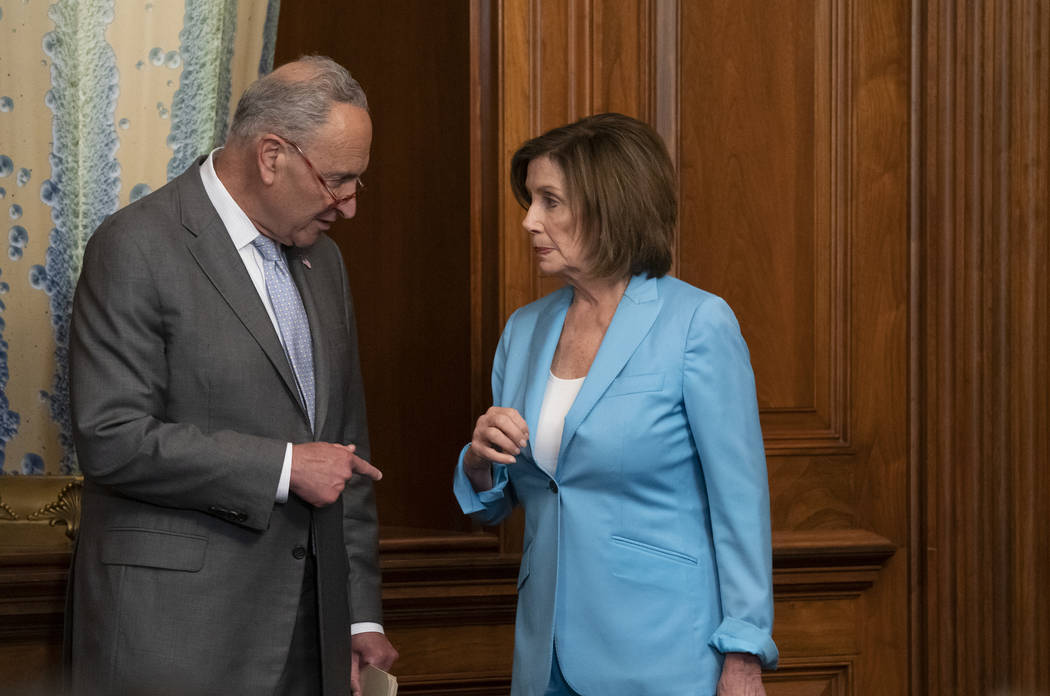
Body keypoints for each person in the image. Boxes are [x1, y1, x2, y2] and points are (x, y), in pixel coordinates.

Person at [67, 56, 398, 696]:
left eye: (359, 182)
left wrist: (357, 610)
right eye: (337, 181)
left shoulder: (322, 262)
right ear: (271, 155)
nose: (351, 207)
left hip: (311, 640)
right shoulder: (135, 246)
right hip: (176, 636)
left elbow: (345, 448)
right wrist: (283, 467)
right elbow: (111, 437)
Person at [454, 113, 777, 695]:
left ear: (611, 206)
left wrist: (744, 649)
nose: (529, 221)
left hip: (664, 652)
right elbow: (498, 507)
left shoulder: (697, 324)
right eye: (530, 200)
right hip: (543, 653)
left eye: (550, 201)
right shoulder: (523, 331)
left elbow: (740, 501)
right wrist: (478, 463)